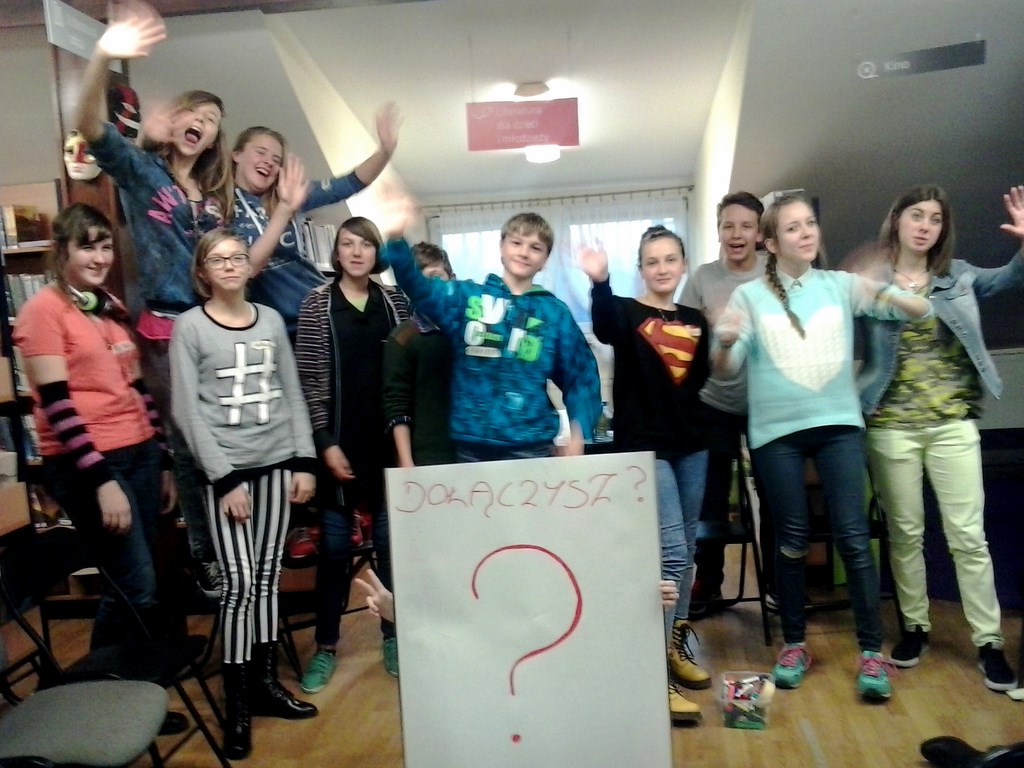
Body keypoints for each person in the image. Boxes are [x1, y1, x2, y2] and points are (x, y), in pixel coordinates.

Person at [714, 191, 931, 701]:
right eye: (793, 227)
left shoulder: (841, 285)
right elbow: (726, 370)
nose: (807, 233)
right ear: (771, 242)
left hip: (839, 428)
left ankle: (871, 652)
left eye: (810, 223)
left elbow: (921, 311)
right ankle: (794, 644)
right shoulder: (749, 297)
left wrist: (889, 287)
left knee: (854, 539)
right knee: (790, 542)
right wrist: (724, 341)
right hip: (775, 435)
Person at [74, 0, 231, 598]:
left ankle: (233, 543)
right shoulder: (144, 173)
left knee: (224, 437)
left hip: (215, 326)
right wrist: (102, 53)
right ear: (176, 118)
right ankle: (205, 555)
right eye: (196, 112)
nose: (203, 123)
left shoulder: (215, 197)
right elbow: (88, 125)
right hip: (166, 328)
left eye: (213, 121)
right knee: (188, 443)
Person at [857, 185, 1024, 691]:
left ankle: (989, 641)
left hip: (952, 423)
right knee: (905, 534)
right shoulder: (872, 285)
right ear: (897, 220)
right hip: (892, 427)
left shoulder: (960, 276)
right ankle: (915, 627)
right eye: (917, 215)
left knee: (968, 536)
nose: (925, 225)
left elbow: (1011, 278)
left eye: (935, 218)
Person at [170, 228, 319, 760]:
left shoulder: (271, 320)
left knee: (267, 576)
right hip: (228, 475)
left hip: (277, 463)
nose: (231, 265)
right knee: (238, 585)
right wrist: (225, 479)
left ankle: (263, 685)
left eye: (238, 257)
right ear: (203, 272)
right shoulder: (189, 326)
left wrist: (304, 460)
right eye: (219, 259)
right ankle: (236, 702)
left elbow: (291, 392)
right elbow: (186, 410)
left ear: (250, 267)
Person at [14, 203, 175, 651]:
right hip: (91, 465)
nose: (100, 258)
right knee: (135, 583)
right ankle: (108, 681)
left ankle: (121, 680)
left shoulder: (107, 307)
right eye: (87, 247)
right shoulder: (43, 311)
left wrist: (162, 460)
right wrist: (103, 481)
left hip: (139, 452)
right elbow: (57, 405)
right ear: (62, 250)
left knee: (131, 583)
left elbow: (137, 388)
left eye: (105, 247)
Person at [578, 225, 711, 723]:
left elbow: (706, 379)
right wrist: (600, 281)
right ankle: (654, 674)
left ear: (683, 264)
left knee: (688, 550)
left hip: (693, 446)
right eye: (652, 261)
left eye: (670, 259)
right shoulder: (625, 312)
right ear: (641, 268)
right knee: (670, 554)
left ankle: (675, 645)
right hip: (644, 450)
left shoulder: (697, 319)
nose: (661, 268)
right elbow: (604, 325)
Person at [380, 207, 602, 461]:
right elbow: (420, 288)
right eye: (516, 242)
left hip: (530, 447)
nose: (524, 252)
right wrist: (396, 240)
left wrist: (578, 434)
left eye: (535, 247)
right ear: (501, 247)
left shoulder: (554, 314)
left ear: (545, 260)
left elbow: (582, 376)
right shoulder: (467, 298)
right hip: (469, 448)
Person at [294, 217, 410, 692]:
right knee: (335, 552)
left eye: (366, 243)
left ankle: (394, 634)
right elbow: (308, 380)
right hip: (338, 445)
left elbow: (408, 374)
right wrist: (325, 442)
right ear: (336, 252)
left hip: (386, 445)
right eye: (348, 243)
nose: (357, 251)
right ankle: (325, 646)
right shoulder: (317, 303)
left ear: (376, 252)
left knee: (389, 547)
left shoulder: (395, 302)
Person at [230, 105, 401, 338]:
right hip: (267, 326)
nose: (269, 161)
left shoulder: (288, 193)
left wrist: (385, 152)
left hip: (317, 314)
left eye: (276, 159)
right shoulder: (219, 205)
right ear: (236, 154)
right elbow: (246, 269)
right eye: (261, 152)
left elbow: (347, 184)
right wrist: (285, 210)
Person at [680, 191, 772, 615]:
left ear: (759, 233)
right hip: (713, 403)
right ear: (718, 231)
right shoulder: (702, 278)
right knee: (711, 499)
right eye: (727, 226)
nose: (736, 234)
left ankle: (779, 583)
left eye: (745, 226)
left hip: (769, 404)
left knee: (774, 494)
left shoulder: (775, 271)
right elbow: (680, 337)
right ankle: (709, 583)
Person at [382, 242, 457, 468]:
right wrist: (406, 461)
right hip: (426, 456)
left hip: (473, 453)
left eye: (436, 276)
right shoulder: (402, 338)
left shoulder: (470, 331)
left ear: (452, 278)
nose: (429, 286)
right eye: (420, 279)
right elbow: (397, 404)